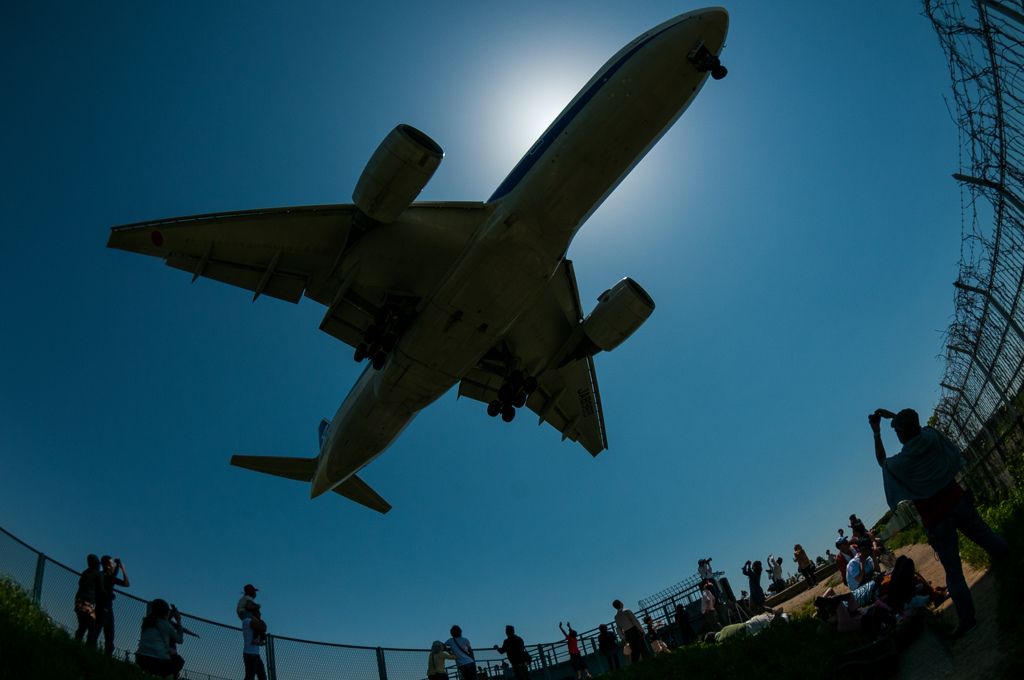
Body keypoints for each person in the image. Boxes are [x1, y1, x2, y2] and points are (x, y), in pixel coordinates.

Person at [869, 407, 1012, 639]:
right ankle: (1014, 567)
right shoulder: (931, 437)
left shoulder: (903, 462)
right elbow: (920, 428)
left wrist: (876, 432)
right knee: (988, 538)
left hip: (937, 519)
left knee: (954, 573)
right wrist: (896, 418)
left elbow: (883, 462)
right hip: (959, 501)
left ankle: (968, 621)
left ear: (901, 435)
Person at [134, 599, 185, 678]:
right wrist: (178, 621)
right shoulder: (166, 625)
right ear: (165, 612)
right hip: (157, 661)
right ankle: (167, 677)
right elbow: (179, 640)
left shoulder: (146, 622)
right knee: (179, 661)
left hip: (140, 658)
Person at [96, 555, 129, 654]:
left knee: (94, 634)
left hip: (98, 608)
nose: (113, 566)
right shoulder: (110, 578)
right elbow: (126, 584)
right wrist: (123, 569)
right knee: (109, 638)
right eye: (112, 564)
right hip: (107, 611)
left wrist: (118, 564)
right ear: (108, 566)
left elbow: (113, 574)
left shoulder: (101, 575)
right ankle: (107, 657)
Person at [73, 554, 103, 645]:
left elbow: (80, 583)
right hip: (88, 602)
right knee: (92, 627)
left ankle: (76, 644)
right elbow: (101, 589)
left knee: (82, 625)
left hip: (79, 600)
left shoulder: (85, 572)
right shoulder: (98, 574)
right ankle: (89, 648)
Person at [242, 614, 268, 680]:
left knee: (262, 676)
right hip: (250, 654)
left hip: (256, 654)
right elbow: (263, 627)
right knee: (250, 677)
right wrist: (260, 621)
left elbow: (263, 632)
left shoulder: (254, 624)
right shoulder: (247, 621)